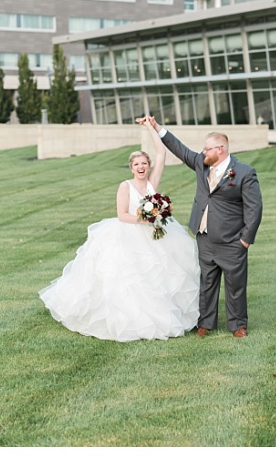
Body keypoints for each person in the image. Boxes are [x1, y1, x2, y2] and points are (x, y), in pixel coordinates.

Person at [39, 145, 200, 342]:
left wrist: (151, 126)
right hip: (129, 234)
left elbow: (162, 153)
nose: (140, 167)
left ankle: (162, 315)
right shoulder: (126, 186)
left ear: (149, 166)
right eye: (136, 164)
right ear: (131, 168)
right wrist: (146, 220)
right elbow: (122, 215)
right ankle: (133, 320)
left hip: (153, 235)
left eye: (144, 163)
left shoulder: (152, 184)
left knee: (160, 275)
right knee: (130, 278)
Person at [142, 116, 262, 338]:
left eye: (207, 149)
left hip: (232, 239)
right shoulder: (201, 164)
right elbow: (180, 149)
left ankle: (238, 325)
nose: (202, 152)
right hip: (204, 236)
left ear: (220, 149)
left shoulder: (244, 172)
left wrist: (245, 239)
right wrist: (157, 127)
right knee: (207, 282)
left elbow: (254, 208)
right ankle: (206, 323)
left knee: (235, 285)